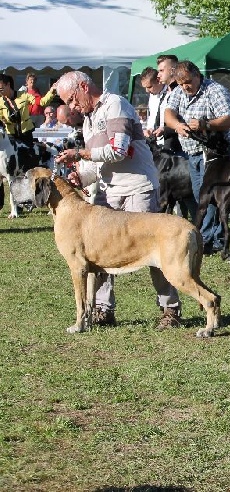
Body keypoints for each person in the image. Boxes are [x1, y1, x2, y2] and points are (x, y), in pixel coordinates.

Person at [52, 71, 183, 330]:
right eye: (68, 103)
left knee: (155, 251)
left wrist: (79, 153)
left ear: (83, 87)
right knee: (99, 252)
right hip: (107, 192)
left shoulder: (116, 105)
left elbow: (118, 150)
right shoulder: (88, 121)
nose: (72, 107)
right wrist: (81, 176)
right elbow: (97, 164)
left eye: (72, 99)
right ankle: (103, 309)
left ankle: (170, 308)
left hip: (137, 188)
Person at [164, 60, 230, 255]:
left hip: (214, 152)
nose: (185, 87)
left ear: (197, 75)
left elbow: (229, 119)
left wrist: (205, 124)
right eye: (181, 84)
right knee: (199, 194)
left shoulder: (215, 91)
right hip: (193, 153)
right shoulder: (178, 92)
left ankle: (207, 239)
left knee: (209, 194)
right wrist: (177, 125)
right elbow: (168, 114)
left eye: (188, 82)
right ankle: (215, 237)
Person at [0, 73, 58, 143]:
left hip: (27, 133)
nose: (0, 92)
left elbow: (42, 102)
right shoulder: (0, 101)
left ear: (8, 85)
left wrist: (52, 91)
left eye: (1, 89)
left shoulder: (24, 95)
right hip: (11, 135)